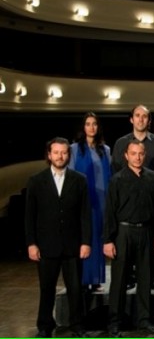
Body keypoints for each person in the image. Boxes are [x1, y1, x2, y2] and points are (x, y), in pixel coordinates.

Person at [24, 137, 91, 338]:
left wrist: (86, 242)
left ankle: (77, 323)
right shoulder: (36, 181)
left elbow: (84, 214)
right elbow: (29, 216)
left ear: (68, 155)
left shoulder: (79, 180)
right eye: (56, 152)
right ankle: (44, 324)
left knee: (75, 288)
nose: (60, 156)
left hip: (73, 245)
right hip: (46, 246)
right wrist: (31, 244)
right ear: (49, 155)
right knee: (47, 288)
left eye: (64, 152)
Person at [103, 139, 154, 337]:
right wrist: (108, 240)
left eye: (140, 153)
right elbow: (110, 211)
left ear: (144, 155)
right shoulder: (117, 179)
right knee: (119, 279)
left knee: (145, 278)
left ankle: (144, 320)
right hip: (123, 233)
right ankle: (115, 322)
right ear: (126, 155)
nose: (137, 157)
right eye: (133, 153)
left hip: (146, 232)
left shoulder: (153, 177)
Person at [111, 104, 154, 291]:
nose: (141, 119)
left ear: (149, 120)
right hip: (127, 204)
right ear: (131, 119)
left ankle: (151, 279)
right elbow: (116, 171)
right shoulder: (121, 143)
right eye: (137, 115)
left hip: (150, 198)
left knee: (150, 250)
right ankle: (128, 279)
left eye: (145, 116)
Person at [68, 112, 111, 292]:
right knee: (85, 237)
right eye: (88, 124)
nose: (91, 127)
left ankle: (95, 279)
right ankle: (83, 278)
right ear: (83, 127)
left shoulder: (105, 150)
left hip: (101, 201)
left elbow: (109, 177)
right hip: (83, 200)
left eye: (94, 124)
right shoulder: (74, 149)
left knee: (98, 238)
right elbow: (70, 176)